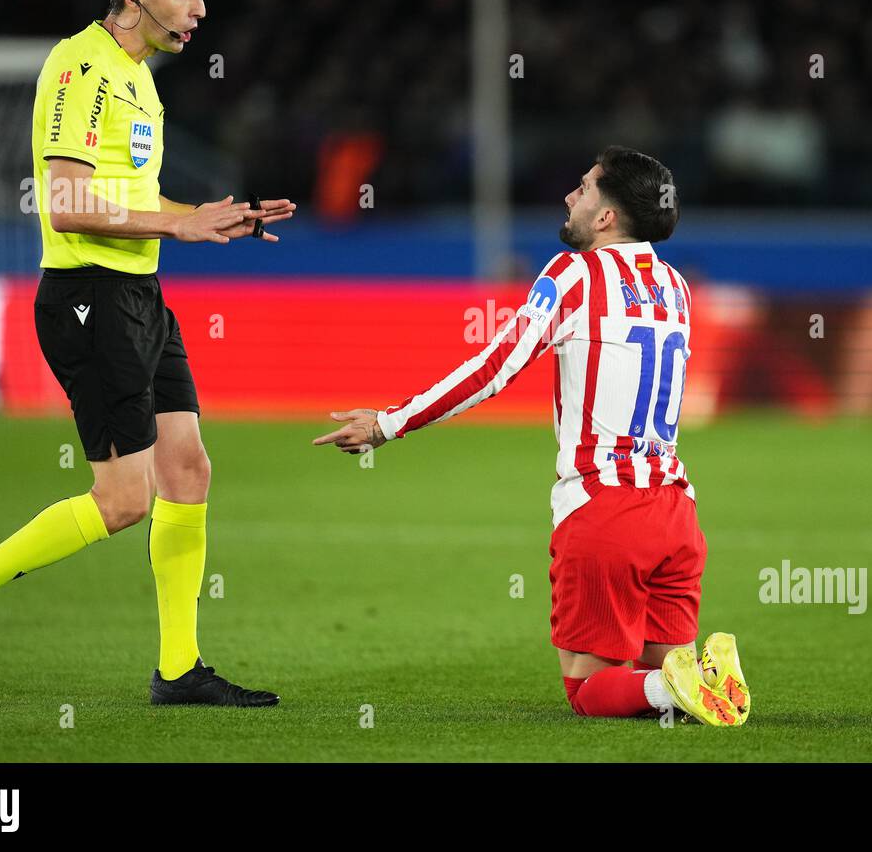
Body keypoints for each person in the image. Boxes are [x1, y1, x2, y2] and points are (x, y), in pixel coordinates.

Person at [0, 0, 293, 707]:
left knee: (188, 470)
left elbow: (134, 197)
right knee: (125, 500)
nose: (199, 8)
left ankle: (179, 669)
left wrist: (209, 215)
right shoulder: (81, 66)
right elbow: (68, 201)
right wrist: (178, 224)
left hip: (139, 296)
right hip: (88, 297)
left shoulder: (139, 77)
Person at [314, 146, 750, 725]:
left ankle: (680, 686)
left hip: (605, 509)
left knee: (590, 692)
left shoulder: (574, 272)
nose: (571, 196)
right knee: (664, 680)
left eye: (585, 188)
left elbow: (497, 366)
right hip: (676, 511)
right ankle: (697, 678)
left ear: (605, 218)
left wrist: (388, 422)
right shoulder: (677, 286)